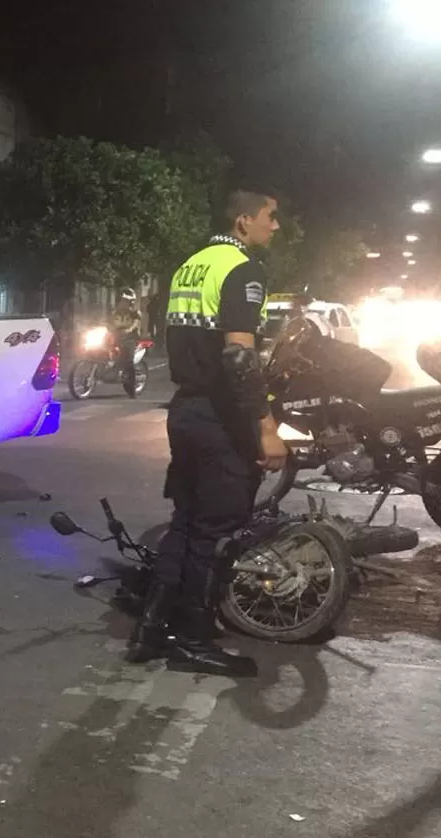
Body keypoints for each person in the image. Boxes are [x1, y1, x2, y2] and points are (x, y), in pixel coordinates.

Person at [126, 189, 289, 678]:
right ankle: (192, 640)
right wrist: (264, 426)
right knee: (213, 532)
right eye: (270, 217)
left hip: (186, 411)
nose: (275, 226)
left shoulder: (192, 265)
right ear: (243, 221)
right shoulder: (241, 269)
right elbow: (238, 355)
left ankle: (154, 628)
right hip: (220, 416)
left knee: (186, 522)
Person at [109, 288, 144, 389]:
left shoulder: (135, 313)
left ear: (130, 302)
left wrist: (129, 329)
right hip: (115, 337)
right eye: (121, 301)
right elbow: (106, 322)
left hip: (130, 338)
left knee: (128, 360)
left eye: (125, 301)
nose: (122, 303)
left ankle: (131, 387)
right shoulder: (114, 312)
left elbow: (136, 323)